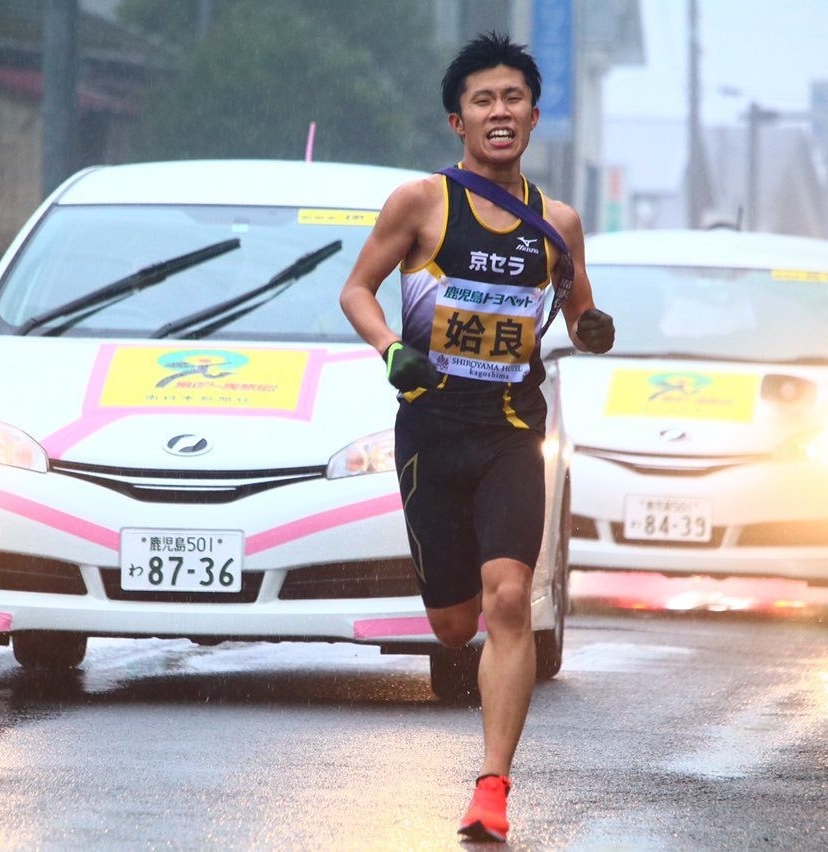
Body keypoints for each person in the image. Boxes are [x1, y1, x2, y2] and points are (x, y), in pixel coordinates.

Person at [339, 31, 614, 844]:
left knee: (508, 602)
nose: (500, 112)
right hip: (430, 429)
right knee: (455, 624)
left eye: (513, 98)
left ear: (532, 113)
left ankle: (492, 787)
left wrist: (593, 327)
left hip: (509, 432)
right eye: (482, 101)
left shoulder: (558, 222)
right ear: (456, 120)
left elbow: (580, 315)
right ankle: (469, 679)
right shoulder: (421, 204)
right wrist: (393, 348)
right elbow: (356, 290)